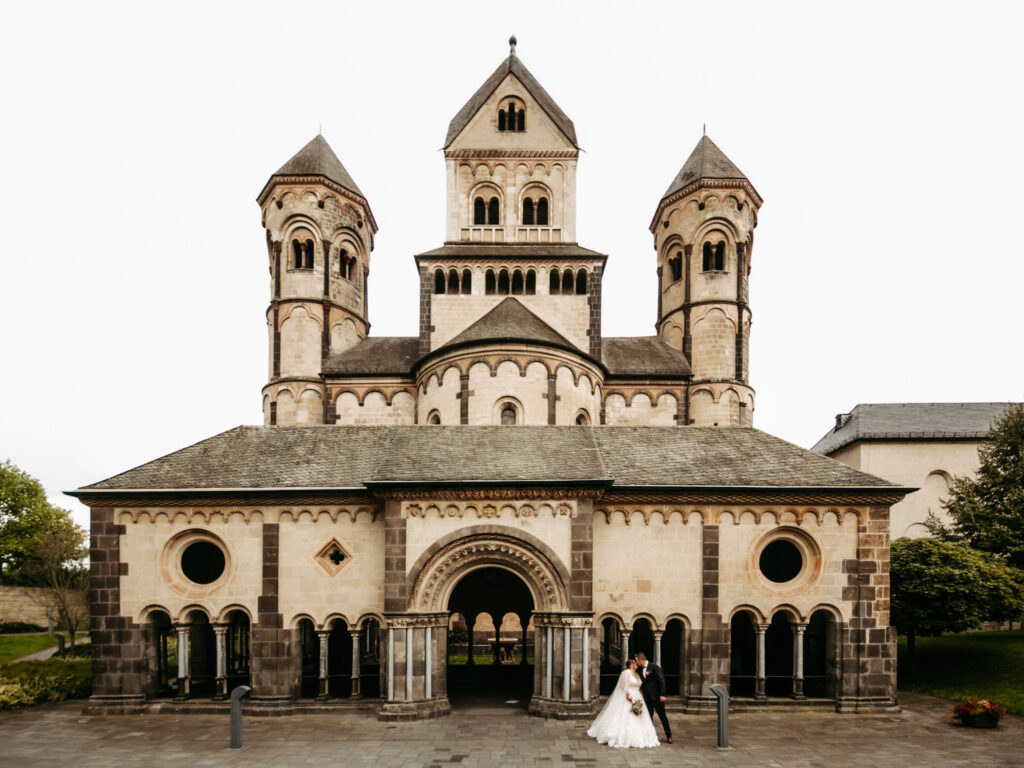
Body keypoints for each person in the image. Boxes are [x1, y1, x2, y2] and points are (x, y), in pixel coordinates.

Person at [586, 658, 660, 749]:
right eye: (635, 663)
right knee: (626, 713)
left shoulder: (637, 674)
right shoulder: (626, 672)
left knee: (638, 714)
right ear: (630, 665)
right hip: (628, 696)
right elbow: (622, 685)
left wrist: (641, 695)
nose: (636, 664)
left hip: (638, 697)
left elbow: (639, 686)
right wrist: (628, 694)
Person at [634, 652, 672, 743]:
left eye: (637, 661)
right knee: (649, 717)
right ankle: (649, 736)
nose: (636, 663)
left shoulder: (654, 667)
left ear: (641, 660)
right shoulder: (639, 669)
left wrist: (663, 694)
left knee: (662, 716)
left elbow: (661, 681)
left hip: (657, 697)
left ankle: (669, 735)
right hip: (647, 697)